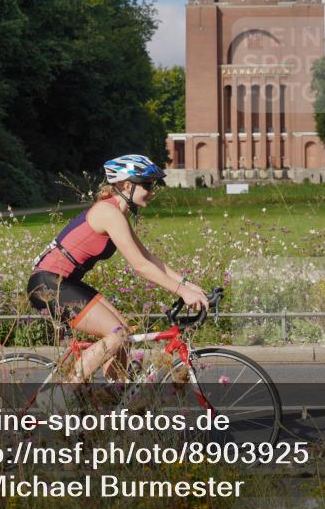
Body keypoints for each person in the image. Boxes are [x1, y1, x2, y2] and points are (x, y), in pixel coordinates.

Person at [27, 154, 209, 385]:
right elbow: (141, 266)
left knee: (124, 331)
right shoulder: (108, 213)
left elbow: (148, 257)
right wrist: (181, 292)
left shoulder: (117, 213)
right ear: (126, 185)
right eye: (147, 185)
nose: (152, 191)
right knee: (117, 334)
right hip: (48, 283)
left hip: (65, 282)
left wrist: (188, 285)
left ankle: (114, 397)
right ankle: (63, 394)